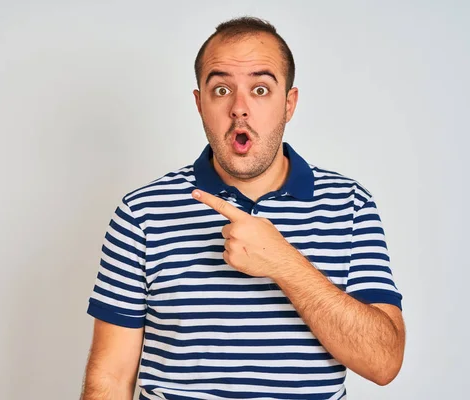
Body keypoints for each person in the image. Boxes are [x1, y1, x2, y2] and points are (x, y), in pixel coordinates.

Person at [80, 16, 405, 400]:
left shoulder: (350, 205)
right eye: (221, 89)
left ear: (289, 104)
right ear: (200, 104)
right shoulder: (141, 213)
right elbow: (111, 376)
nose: (240, 108)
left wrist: (283, 262)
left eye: (261, 89)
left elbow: (383, 363)